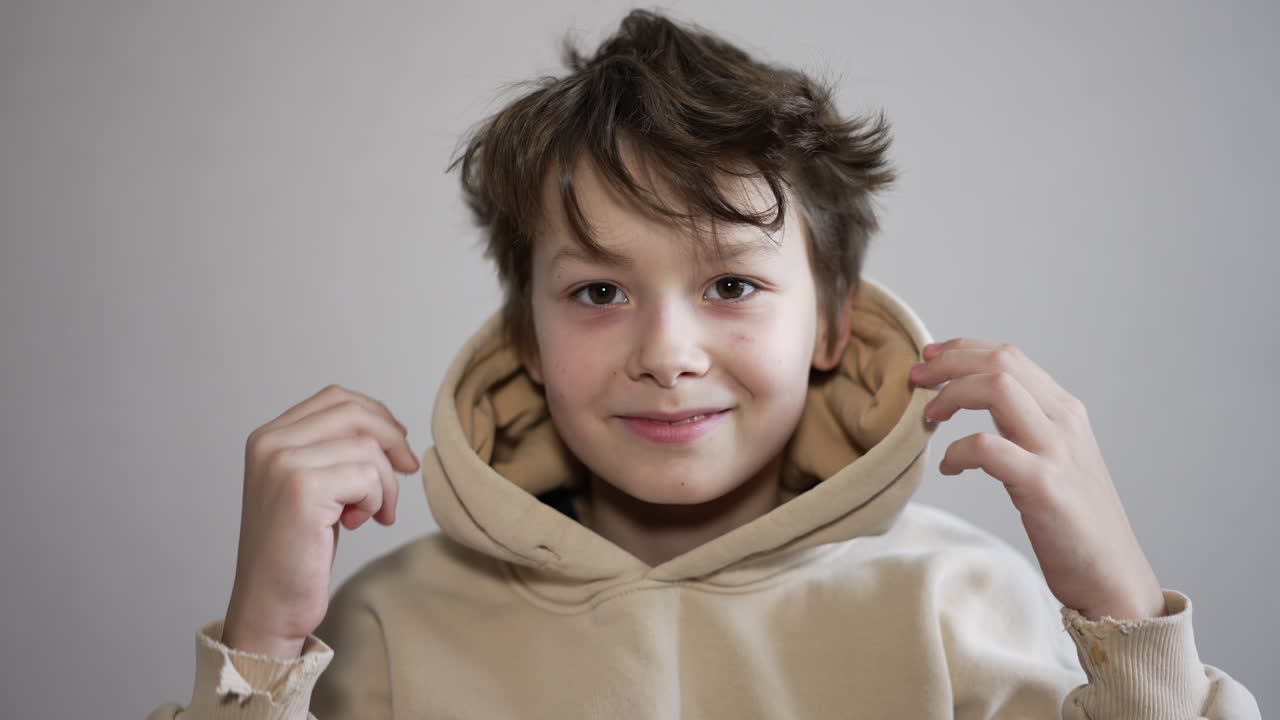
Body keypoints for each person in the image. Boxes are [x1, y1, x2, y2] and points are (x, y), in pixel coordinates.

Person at [149, 9, 1260, 719]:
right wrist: (259, 651)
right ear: (524, 343)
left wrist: (1121, 613)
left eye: (730, 284)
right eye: (597, 292)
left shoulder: (956, 604)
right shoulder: (388, 623)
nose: (666, 357)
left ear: (833, 326)